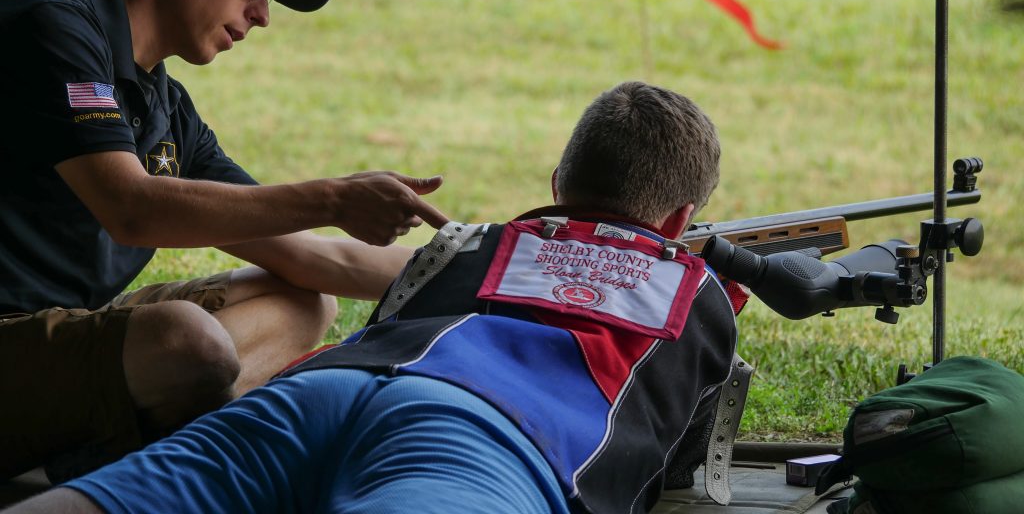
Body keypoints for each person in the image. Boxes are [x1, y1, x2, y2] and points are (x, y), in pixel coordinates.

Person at [6, 81, 742, 514]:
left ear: (555, 187)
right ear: (680, 223)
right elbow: (683, 482)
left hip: (319, 392)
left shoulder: (471, 243)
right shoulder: (696, 287)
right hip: (491, 444)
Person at [0, 0, 449, 482]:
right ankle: (115, 474)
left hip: (56, 338)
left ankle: (80, 471)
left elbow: (317, 259)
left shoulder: (167, 108)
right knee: (187, 342)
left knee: (302, 302)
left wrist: (496, 271)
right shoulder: (49, 29)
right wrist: (332, 197)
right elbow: (130, 207)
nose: (261, 14)